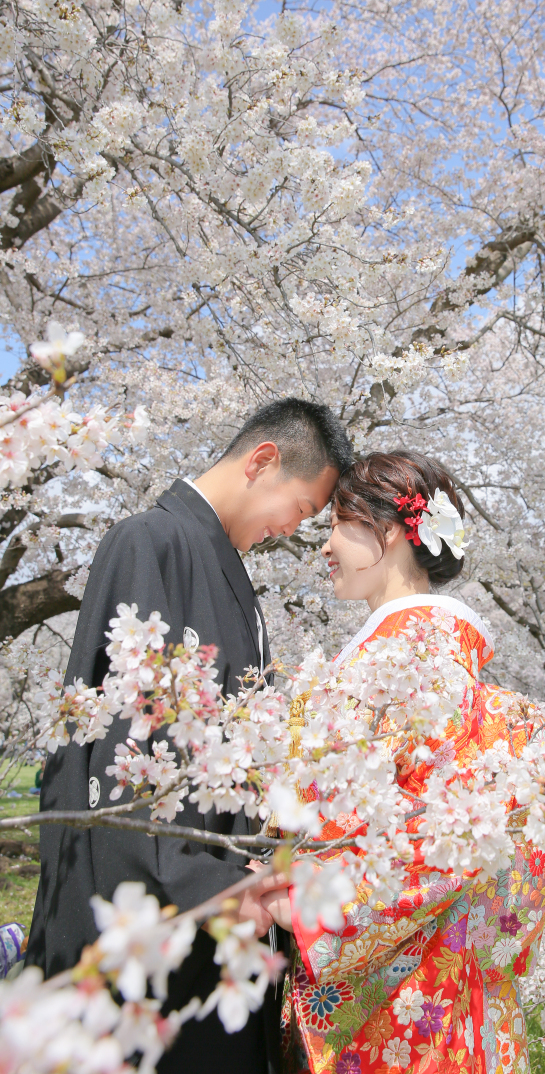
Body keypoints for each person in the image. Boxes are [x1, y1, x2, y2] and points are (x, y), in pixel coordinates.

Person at [27, 398, 353, 1074]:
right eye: (299, 507)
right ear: (264, 460)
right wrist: (205, 884)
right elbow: (124, 743)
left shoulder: (227, 572)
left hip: (212, 904)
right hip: (155, 904)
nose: (294, 529)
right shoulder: (151, 542)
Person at [266, 451, 545, 1074]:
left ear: (393, 529)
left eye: (337, 523)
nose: (323, 546)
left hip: (402, 1002)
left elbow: (430, 841)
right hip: (452, 989)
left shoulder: (406, 664)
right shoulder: (437, 661)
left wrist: (294, 898)